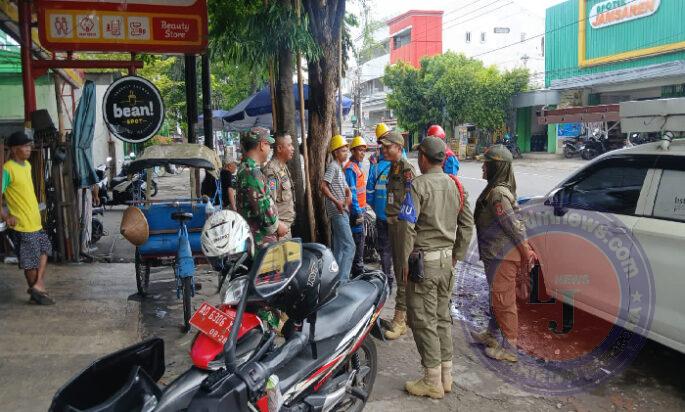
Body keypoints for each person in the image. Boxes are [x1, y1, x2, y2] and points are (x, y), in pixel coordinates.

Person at [397, 136, 467, 399]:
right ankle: (446, 376)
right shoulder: (455, 185)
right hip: (446, 262)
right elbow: (466, 224)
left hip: (423, 264)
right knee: (441, 318)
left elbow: (407, 226)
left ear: (424, 158)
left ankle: (431, 381)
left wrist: (404, 262)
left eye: (419, 155)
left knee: (423, 321)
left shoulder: (418, 186)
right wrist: (456, 254)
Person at [471, 144, 535, 363]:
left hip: (503, 256)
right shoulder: (494, 189)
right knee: (495, 297)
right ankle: (492, 334)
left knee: (504, 300)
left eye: (486, 164)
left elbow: (513, 226)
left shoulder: (498, 194)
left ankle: (510, 347)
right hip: (495, 254)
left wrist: (526, 253)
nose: (482, 167)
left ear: (496, 167)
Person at [1, 131, 55, 305]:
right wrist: (6, 215)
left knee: (45, 250)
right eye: (25, 146)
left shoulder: (27, 166)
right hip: (22, 225)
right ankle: (37, 292)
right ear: (15, 149)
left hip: (35, 222)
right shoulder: (7, 169)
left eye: (29, 145)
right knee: (30, 263)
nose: (29, 149)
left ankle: (37, 286)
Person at [382, 131, 416, 340]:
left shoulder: (406, 170)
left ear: (398, 146)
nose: (384, 150)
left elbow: (411, 203)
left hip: (403, 226)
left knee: (403, 270)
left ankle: (400, 319)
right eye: (383, 147)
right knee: (398, 267)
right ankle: (409, 314)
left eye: (388, 147)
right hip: (393, 224)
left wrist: (401, 223)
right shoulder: (393, 167)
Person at [236, 127, 288, 245]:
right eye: (269, 145)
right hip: (261, 240)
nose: (270, 149)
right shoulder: (252, 172)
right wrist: (277, 225)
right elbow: (263, 208)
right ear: (262, 145)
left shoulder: (246, 168)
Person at [321, 135, 355, 283]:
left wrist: (349, 196)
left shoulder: (339, 169)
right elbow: (323, 186)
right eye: (342, 151)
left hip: (342, 212)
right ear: (335, 153)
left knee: (340, 248)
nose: (346, 153)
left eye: (347, 150)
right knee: (350, 246)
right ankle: (343, 281)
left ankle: (333, 280)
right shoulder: (333, 167)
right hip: (338, 213)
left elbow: (346, 189)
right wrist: (336, 202)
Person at [264, 133, 295, 239]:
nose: (293, 148)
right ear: (280, 148)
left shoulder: (283, 167)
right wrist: (277, 225)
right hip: (279, 231)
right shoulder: (271, 172)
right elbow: (269, 202)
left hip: (286, 228)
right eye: (289, 145)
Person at [344, 136, 367, 278]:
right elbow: (351, 193)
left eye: (364, 150)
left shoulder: (356, 167)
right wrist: (358, 212)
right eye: (360, 150)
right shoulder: (350, 169)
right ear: (353, 151)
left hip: (360, 211)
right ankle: (357, 272)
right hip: (355, 213)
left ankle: (357, 270)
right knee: (358, 242)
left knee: (360, 241)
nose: (363, 153)